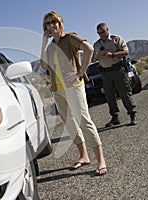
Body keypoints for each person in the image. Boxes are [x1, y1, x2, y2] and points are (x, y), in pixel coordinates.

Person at [40, 11, 107, 175]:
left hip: (74, 87)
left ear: (60, 23)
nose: (51, 25)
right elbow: (44, 66)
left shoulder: (70, 38)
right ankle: (83, 156)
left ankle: (101, 160)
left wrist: (81, 72)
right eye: (48, 23)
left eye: (54, 22)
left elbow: (89, 50)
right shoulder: (50, 47)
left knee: (84, 120)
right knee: (70, 123)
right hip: (58, 90)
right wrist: (43, 42)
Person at [92, 23, 137, 127]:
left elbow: (126, 52)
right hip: (105, 72)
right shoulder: (97, 44)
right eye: (98, 33)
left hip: (118, 70)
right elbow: (93, 58)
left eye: (102, 32)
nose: (101, 35)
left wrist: (112, 55)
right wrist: (95, 58)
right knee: (109, 96)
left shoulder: (116, 39)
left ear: (107, 30)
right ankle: (114, 117)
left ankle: (132, 114)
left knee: (124, 93)